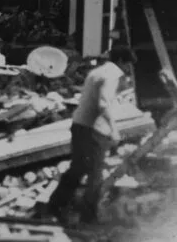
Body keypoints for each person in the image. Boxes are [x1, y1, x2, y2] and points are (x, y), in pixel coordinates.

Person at [47, 46, 135, 224]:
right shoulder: (113, 74)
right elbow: (103, 103)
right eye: (128, 64)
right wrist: (114, 129)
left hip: (79, 124)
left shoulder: (96, 72)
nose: (128, 69)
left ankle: (55, 205)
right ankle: (89, 217)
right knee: (95, 173)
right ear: (120, 61)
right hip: (95, 129)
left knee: (78, 168)